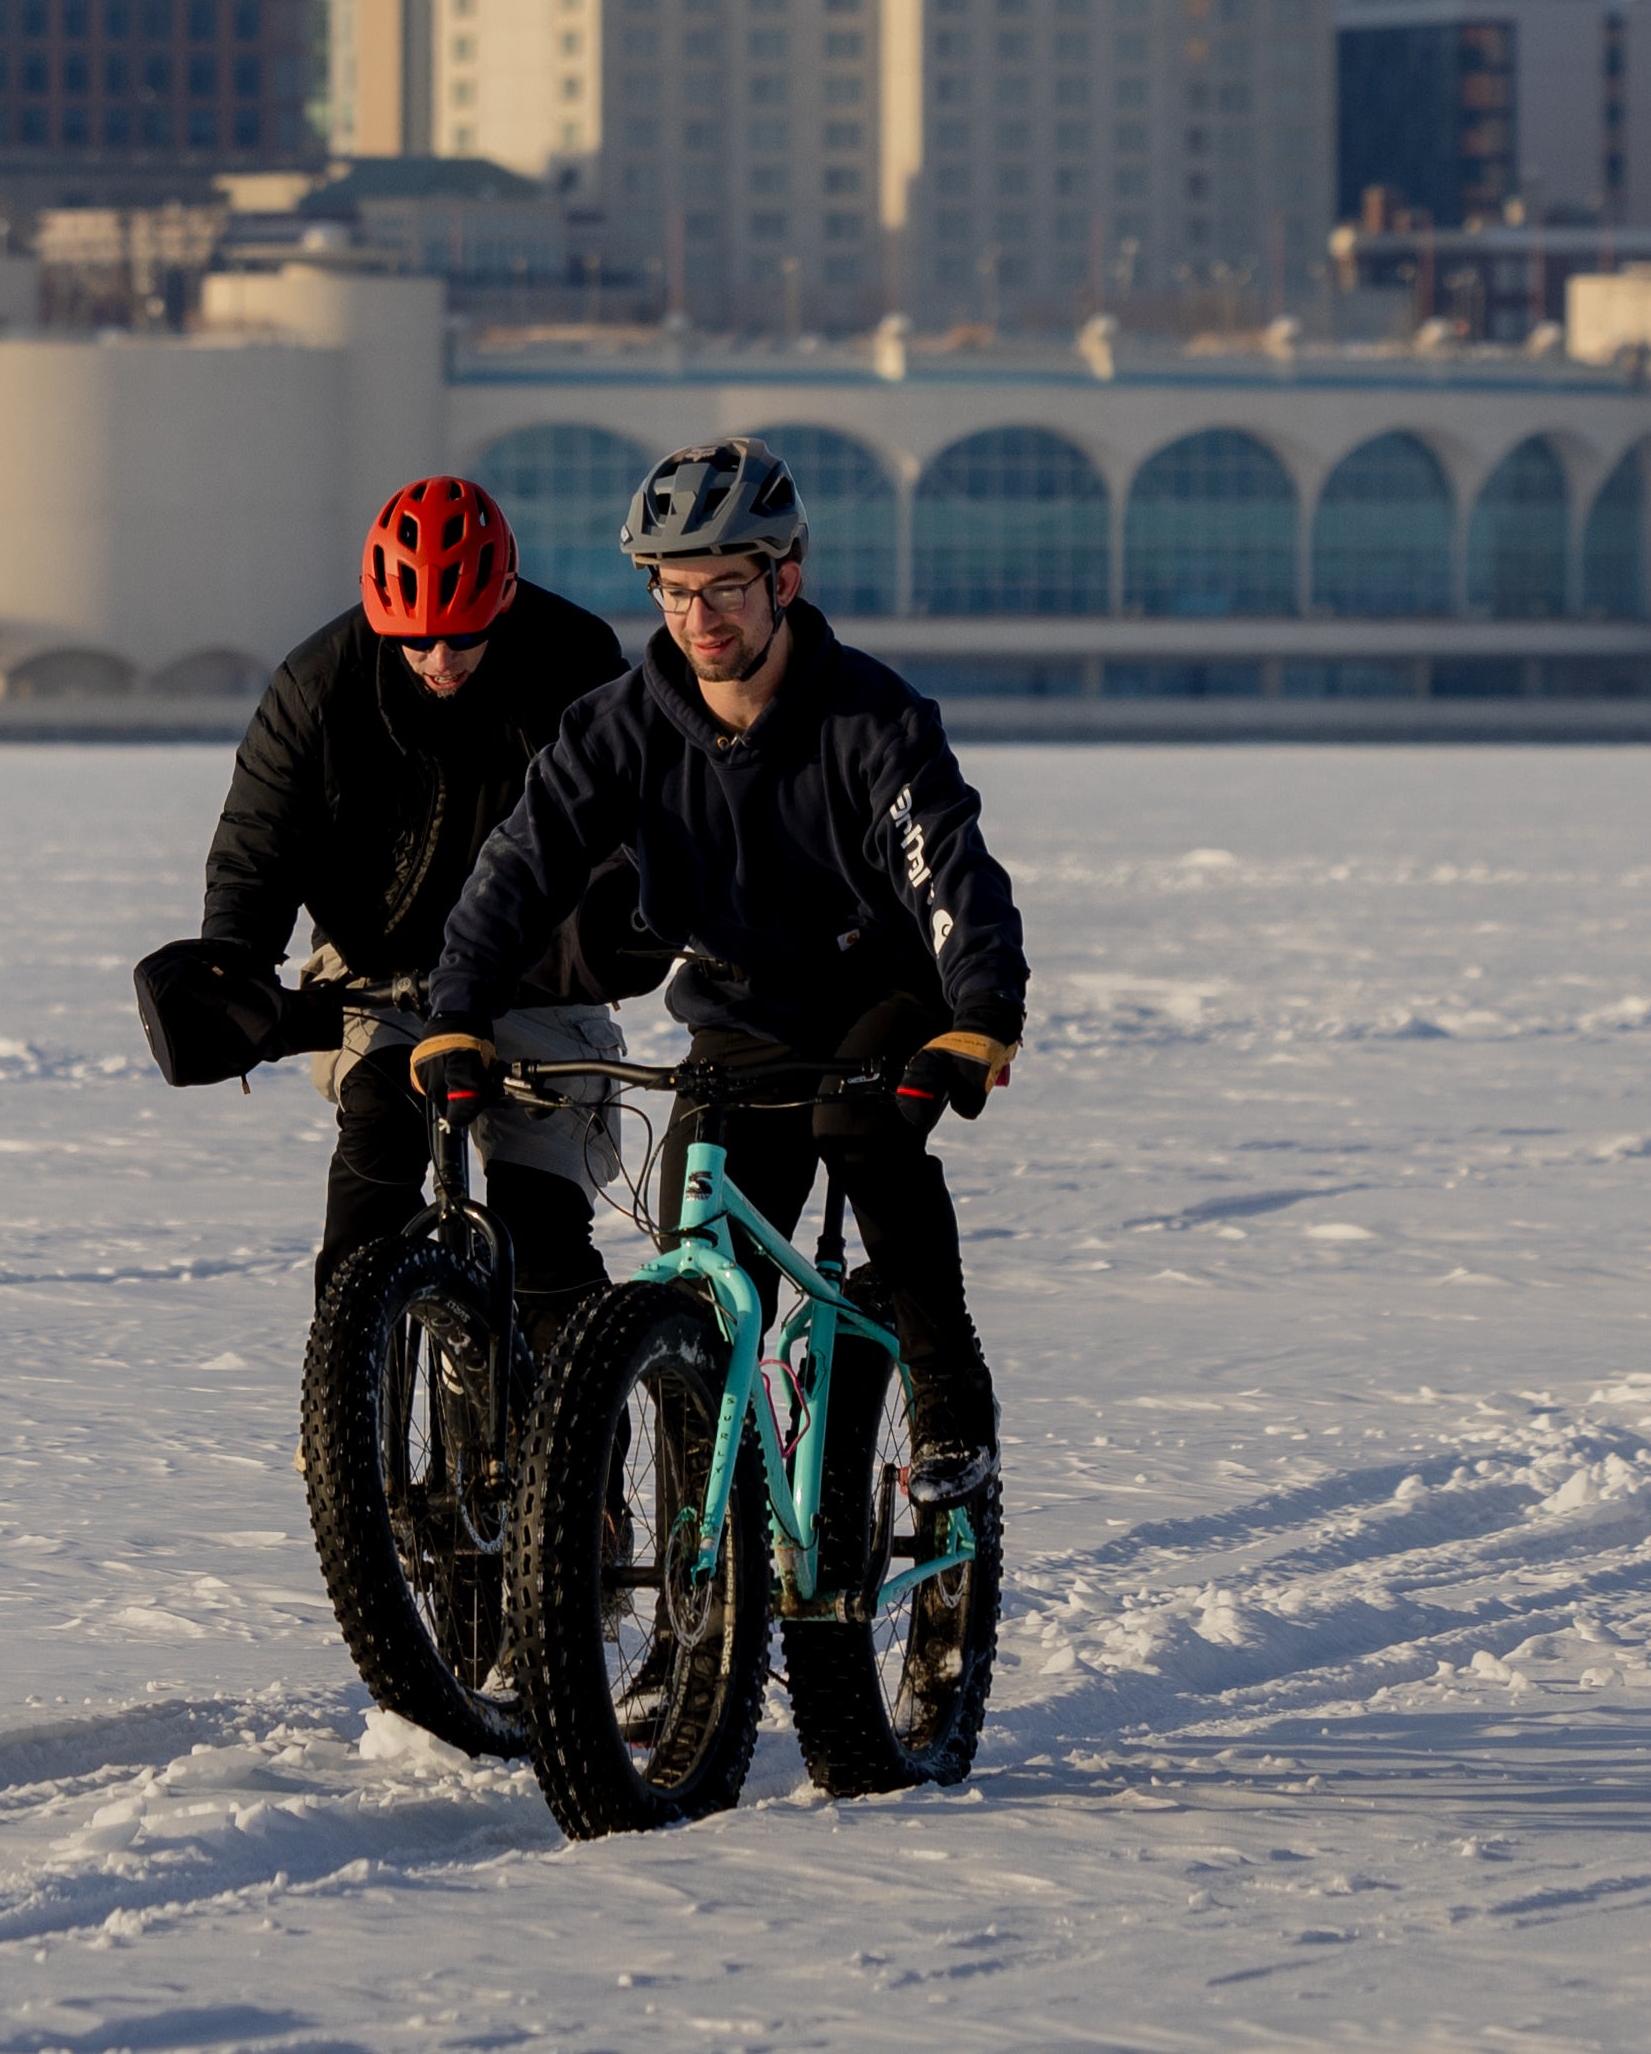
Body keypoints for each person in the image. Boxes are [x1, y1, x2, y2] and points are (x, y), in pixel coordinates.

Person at [397, 436, 1027, 1514]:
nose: (699, 619)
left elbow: (948, 867)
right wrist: (456, 1011)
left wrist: (978, 1015)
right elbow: (521, 865)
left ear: (785, 577)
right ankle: (710, 1587)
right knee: (701, 1275)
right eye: (674, 592)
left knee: (859, 1133)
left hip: (882, 991)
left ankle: (947, 1391)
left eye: (726, 589)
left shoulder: (872, 719)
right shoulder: (622, 726)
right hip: (740, 1010)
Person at [145, 474, 643, 1318]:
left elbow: (626, 828)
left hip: (537, 964)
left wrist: (608, 939)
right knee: (373, 1170)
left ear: (506, 597)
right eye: (414, 640)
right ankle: (349, 1417)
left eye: (462, 635)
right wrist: (235, 962)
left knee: (544, 1228)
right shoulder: (318, 683)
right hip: (382, 962)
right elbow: (257, 843)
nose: (439, 660)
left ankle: (578, 1432)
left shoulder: (575, 660)